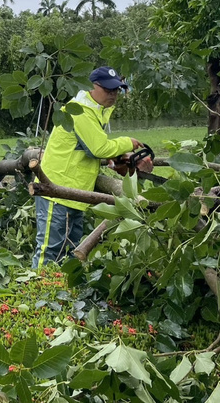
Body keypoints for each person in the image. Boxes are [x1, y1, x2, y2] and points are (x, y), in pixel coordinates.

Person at [33, 66, 151, 268]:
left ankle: (61, 295)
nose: (113, 95)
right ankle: (37, 293)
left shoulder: (94, 111)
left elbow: (86, 149)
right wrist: (128, 143)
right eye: (108, 90)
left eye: (116, 90)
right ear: (91, 87)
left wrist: (118, 158)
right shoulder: (80, 111)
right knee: (50, 251)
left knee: (70, 251)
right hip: (56, 189)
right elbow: (98, 148)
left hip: (72, 192)